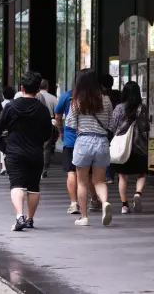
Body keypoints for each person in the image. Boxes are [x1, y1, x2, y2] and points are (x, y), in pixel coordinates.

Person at [0, 72, 52, 231]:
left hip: (14, 153)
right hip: (36, 153)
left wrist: (3, 142)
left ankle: (20, 216)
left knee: (17, 185)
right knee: (34, 187)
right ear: (38, 90)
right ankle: (30, 219)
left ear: (22, 88)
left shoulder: (11, 106)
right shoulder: (42, 109)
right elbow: (48, 133)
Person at [66, 69, 113, 227]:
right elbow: (111, 123)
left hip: (83, 141)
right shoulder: (106, 100)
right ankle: (105, 202)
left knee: (82, 182)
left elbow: (70, 124)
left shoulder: (76, 101)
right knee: (99, 181)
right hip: (101, 142)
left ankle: (84, 217)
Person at [55, 75, 101, 215]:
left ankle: (74, 203)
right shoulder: (96, 98)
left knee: (71, 172)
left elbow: (58, 116)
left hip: (71, 140)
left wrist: (61, 131)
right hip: (90, 140)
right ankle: (94, 200)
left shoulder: (67, 97)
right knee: (90, 174)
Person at [109, 81, 149, 214]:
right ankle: (138, 193)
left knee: (123, 176)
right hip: (140, 147)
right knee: (142, 174)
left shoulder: (119, 108)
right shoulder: (142, 108)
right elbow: (146, 127)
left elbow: (113, 127)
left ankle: (124, 205)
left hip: (123, 148)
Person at [100, 74, 121, 184]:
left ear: (101, 85)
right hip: (119, 127)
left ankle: (109, 175)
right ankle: (119, 173)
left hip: (107, 127)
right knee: (118, 149)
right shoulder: (118, 94)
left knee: (107, 151)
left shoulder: (102, 97)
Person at [39, 79, 59, 178]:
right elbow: (58, 113)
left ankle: (36, 167)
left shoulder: (35, 96)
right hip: (49, 122)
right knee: (46, 147)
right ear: (48, 87)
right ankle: (44, 169)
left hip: (37, 122)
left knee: (36, 145)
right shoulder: (53, 98)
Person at [0, 86, 15, 176]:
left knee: (2, 148)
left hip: (3, 129)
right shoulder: (15, 104)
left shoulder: (1, 105)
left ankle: (4, 166)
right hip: (13, 129)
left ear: (3, 95)